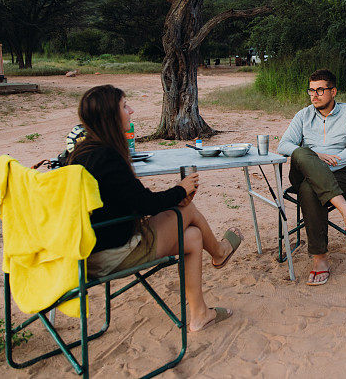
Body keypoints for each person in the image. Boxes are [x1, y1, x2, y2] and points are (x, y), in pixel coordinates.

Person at [68, 84, 242, 332]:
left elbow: (129, 200)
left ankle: (200, 314)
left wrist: (174, 196)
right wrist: (181, 190)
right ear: (110, 116)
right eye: (124, 106)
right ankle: (219, 252)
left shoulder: (81, 152)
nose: (131, 110)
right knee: (188, 211)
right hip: (112, 253)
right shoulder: (107, 157)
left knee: (192, 237)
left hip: (88, 250)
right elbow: (144, 204)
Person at [277, 69, 346, 286]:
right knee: (300, 151)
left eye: (320, 90)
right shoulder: (303, 115)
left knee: (309, 189)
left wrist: (333, 160)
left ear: (333, 91)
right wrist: (316, 158)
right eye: (311, 90)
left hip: (342, 172)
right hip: (305, 171)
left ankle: (320, 259)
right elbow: (284, 145)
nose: (314, 95)